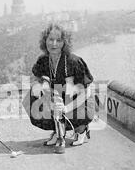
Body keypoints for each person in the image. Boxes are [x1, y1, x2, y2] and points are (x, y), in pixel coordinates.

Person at [30, 24, 95, 154]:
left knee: (68, 108)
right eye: (50, 39)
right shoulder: (43, 60)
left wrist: (67, 108)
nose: (54, 44)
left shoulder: (74, 61)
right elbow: (37, 79)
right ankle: (58, 131)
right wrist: (44, 89)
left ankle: (81, 129)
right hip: (57, 98)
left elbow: (86, 92)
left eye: (59, 40)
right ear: (45, 40)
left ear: (65, 43)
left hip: (80, 101)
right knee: (34, 97)